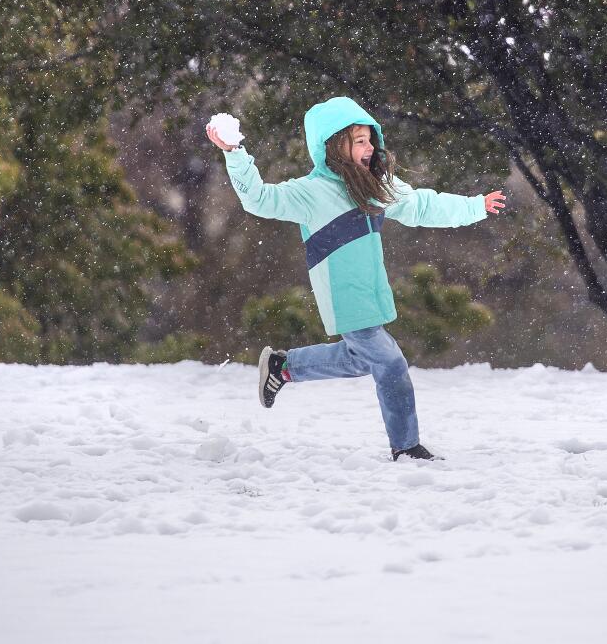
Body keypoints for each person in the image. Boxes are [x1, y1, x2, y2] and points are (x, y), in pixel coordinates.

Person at [205, 96, 506, 461]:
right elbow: (258, 199)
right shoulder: (311, 192)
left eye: (370, 139)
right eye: (359, 140)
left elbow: (421, 205)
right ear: (335, 145)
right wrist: (235, 152)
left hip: (373, 292)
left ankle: (284, 367)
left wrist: (474, 206)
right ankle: (406, 447)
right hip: (344, 294)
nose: (369, 148)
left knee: (362, 359)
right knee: (389, 363)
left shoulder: (374, 186)